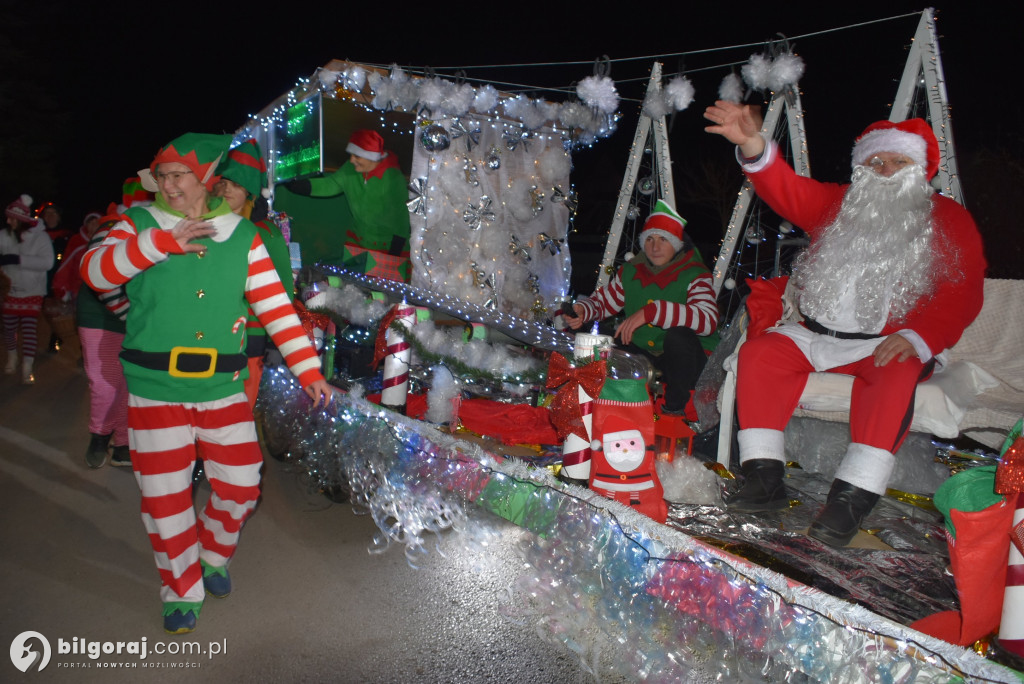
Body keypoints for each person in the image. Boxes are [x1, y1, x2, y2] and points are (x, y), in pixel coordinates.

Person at [81, 133, 333, 634]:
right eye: (164, 176)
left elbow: (276, 308)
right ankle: (180, 586)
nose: (170, 186)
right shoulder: (138, 224)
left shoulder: (241, 234)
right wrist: (157, 245)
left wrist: (309, 371)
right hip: (155, 388)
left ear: (206, 179)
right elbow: (95, 272)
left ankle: (212, 552)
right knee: (164, 496)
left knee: (241, 486)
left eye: (180, 176)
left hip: (222, 388)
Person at [704, 101, 986, 546]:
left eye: (898, 161)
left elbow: (962, 293)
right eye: (876, 161)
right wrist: (755, 146)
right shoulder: (839, 204)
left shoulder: (949, 220)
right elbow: (788, 189)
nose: (886, 170)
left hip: (885, 343)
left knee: (895, 374)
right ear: (862, 167)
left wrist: (918, 338)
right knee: (759, 355)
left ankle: (851, 499)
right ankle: (764, 478)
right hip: (816, 335)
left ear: (920, 169)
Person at [563, 199, 719, 419]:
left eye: (663, 240)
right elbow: (603, 302)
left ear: (676, 244)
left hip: (686, 362)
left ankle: (673, 410)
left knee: (678, 336)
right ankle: (590, 398)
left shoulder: (695, 274)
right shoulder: (632, 270)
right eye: (650, 240)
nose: (654, 248)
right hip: (643, 356)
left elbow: (708, 320)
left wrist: (654, 312)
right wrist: (582, 311)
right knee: (591, 331)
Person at [212, 138, 295, 409]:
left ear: (250, 193)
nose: (226, 190)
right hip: (210, 334)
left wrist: (276, 342)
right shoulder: (207, 228)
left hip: (251, 336)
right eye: (224, 183)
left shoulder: (267, 234)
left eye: (236, 185)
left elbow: (282, 289)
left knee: (236, 413)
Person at [287, 129, 411, 281]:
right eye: (351, 155)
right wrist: (301, 186)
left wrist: (394, 255)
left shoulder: (393, 178)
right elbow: (331, 184)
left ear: (371, 157)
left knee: (379, 293)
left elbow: (402, 218)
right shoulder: (350, 169)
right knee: (350, 285)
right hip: (358, 243)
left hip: (387, 249)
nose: (351, 160)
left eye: (357, 156)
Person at [1, 194, 55, 384]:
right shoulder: (5, 235)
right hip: (11, 290)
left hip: (32, 290)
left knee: (29, 330)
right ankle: (12, 357)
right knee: (9, 328)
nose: (8, 221)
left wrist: (19, 260)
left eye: (11, 218)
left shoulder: (41, 237)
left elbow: (48, 262)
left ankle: (27, 368)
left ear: (22, 220)